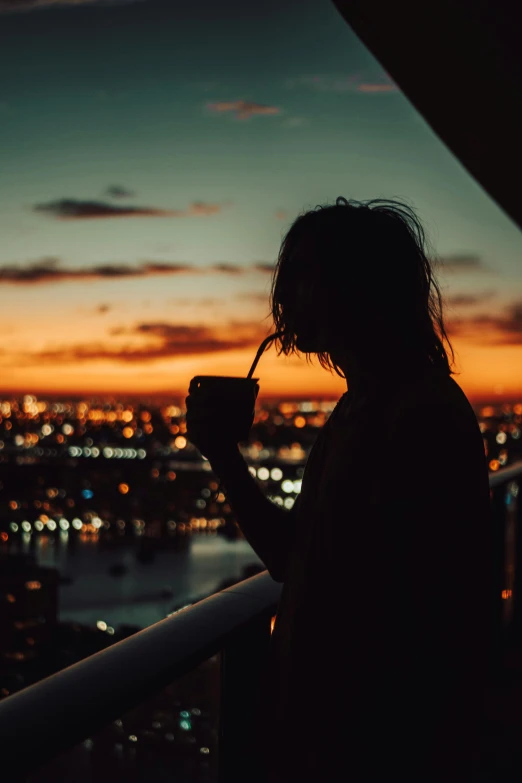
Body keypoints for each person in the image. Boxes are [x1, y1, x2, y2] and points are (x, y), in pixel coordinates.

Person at [185, 197, 493, 781]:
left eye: (306, 278)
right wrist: (224, 456)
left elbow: (416, 614)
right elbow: (295, 557)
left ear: (358, 289)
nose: (288, 298)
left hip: (372, 744)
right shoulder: (366, 406)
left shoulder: (415, 415)